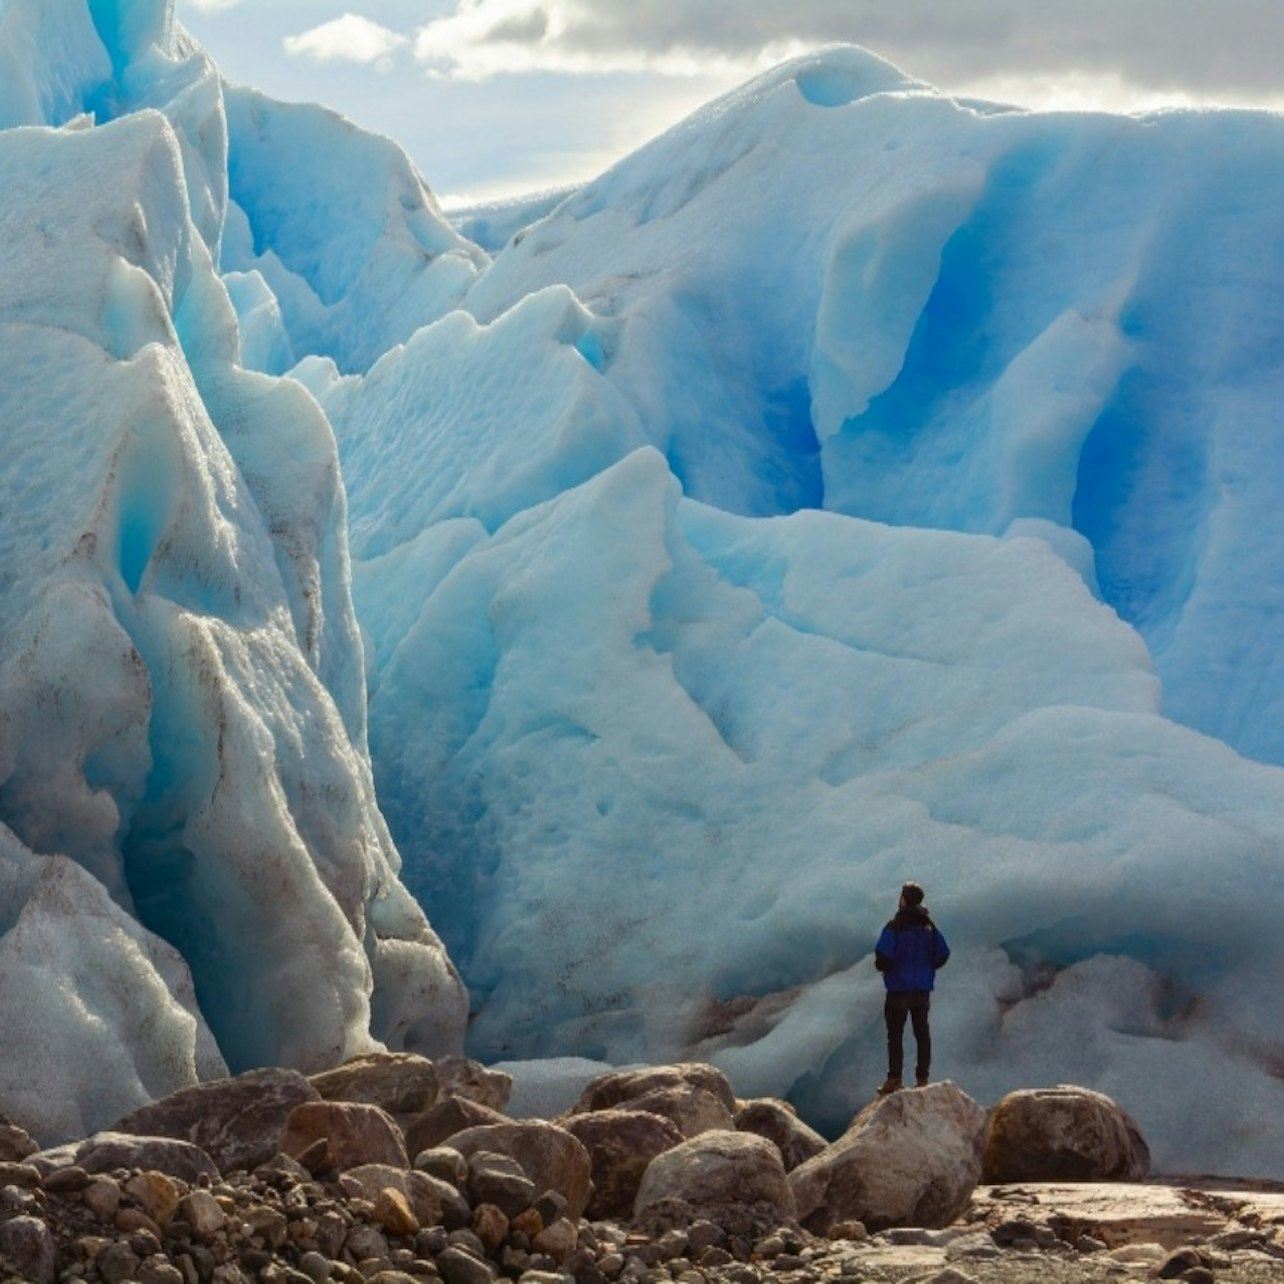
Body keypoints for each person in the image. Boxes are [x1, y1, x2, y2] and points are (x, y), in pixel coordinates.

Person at [874, 881, 949, 1094]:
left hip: (898, 989)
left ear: (905, 900)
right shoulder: (928, 926)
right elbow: (943, 953)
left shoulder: (895, 926)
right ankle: (922, 1079)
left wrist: (886, 967)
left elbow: (883, 954)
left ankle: (894, 1079)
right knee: (922, 1033)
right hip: (921, 990)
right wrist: (927, 968)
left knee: (895, 1035)